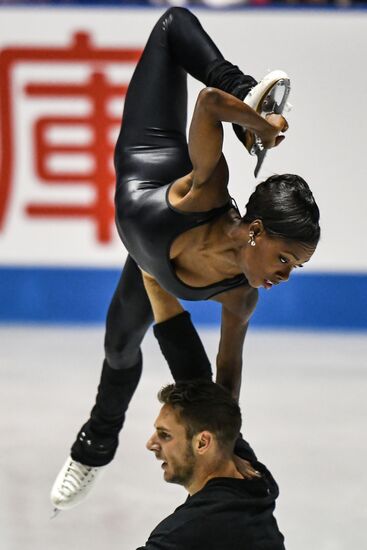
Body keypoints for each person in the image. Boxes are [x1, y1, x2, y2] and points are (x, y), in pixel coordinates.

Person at [51, 7, 320, 510]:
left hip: (148, 259)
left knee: (128, 348)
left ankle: (95, 444)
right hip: (149, 158)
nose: (285, 275)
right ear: (255, 232)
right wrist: (259, 120)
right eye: (285, 259)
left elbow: (225, 376)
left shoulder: (241, 298)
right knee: (172, 24)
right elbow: (208, 102)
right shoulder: (208, 192)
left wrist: (228, 449)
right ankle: (96, 444)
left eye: (295, 267)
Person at [138, 379, 285, 550]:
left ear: (202, 443)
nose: (150, 443)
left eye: (165, 435)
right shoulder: (245, 469)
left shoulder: (186, 531)